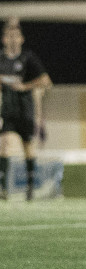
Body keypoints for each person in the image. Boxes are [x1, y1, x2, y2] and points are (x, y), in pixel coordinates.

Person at [0, 19, 52, 201]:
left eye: (16, 36)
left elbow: (46, 80)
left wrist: (25, 86)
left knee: (28, 148)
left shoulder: (28, 58)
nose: (13, 39)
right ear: (4, 39)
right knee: (4, 145)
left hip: (25, 111)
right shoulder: (1, 59)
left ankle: (30, 187)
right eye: (9, 36)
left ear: (22, 39)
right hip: (8, 111)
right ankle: (3, 188)